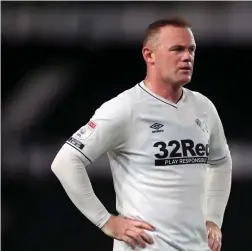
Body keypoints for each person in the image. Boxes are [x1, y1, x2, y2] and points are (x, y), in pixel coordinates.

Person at [51, 17, 232, 251]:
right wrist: (106, 221)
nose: (187, 57)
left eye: (191, 50)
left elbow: (220, 162)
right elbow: (65, 161)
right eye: (177, 49)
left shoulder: (203, 107)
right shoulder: (125, 108)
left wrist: (214, 219)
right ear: (149, 55)